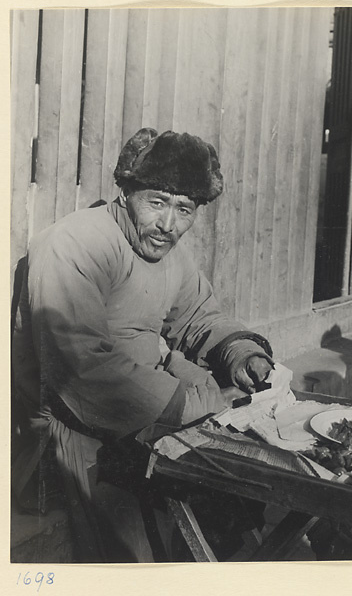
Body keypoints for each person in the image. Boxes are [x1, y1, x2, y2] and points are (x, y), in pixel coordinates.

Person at [11, 128, 274, 563]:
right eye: (156, 202)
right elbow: (82, 372)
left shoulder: (170, 254)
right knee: (137, 554)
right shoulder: (74, 244)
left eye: (184, 209)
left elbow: (198, 315)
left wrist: (241, 353)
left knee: (237, 498)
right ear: (126, 191)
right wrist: (195, 402)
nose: (169, 225)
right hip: (77, 430)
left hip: (150, 408)